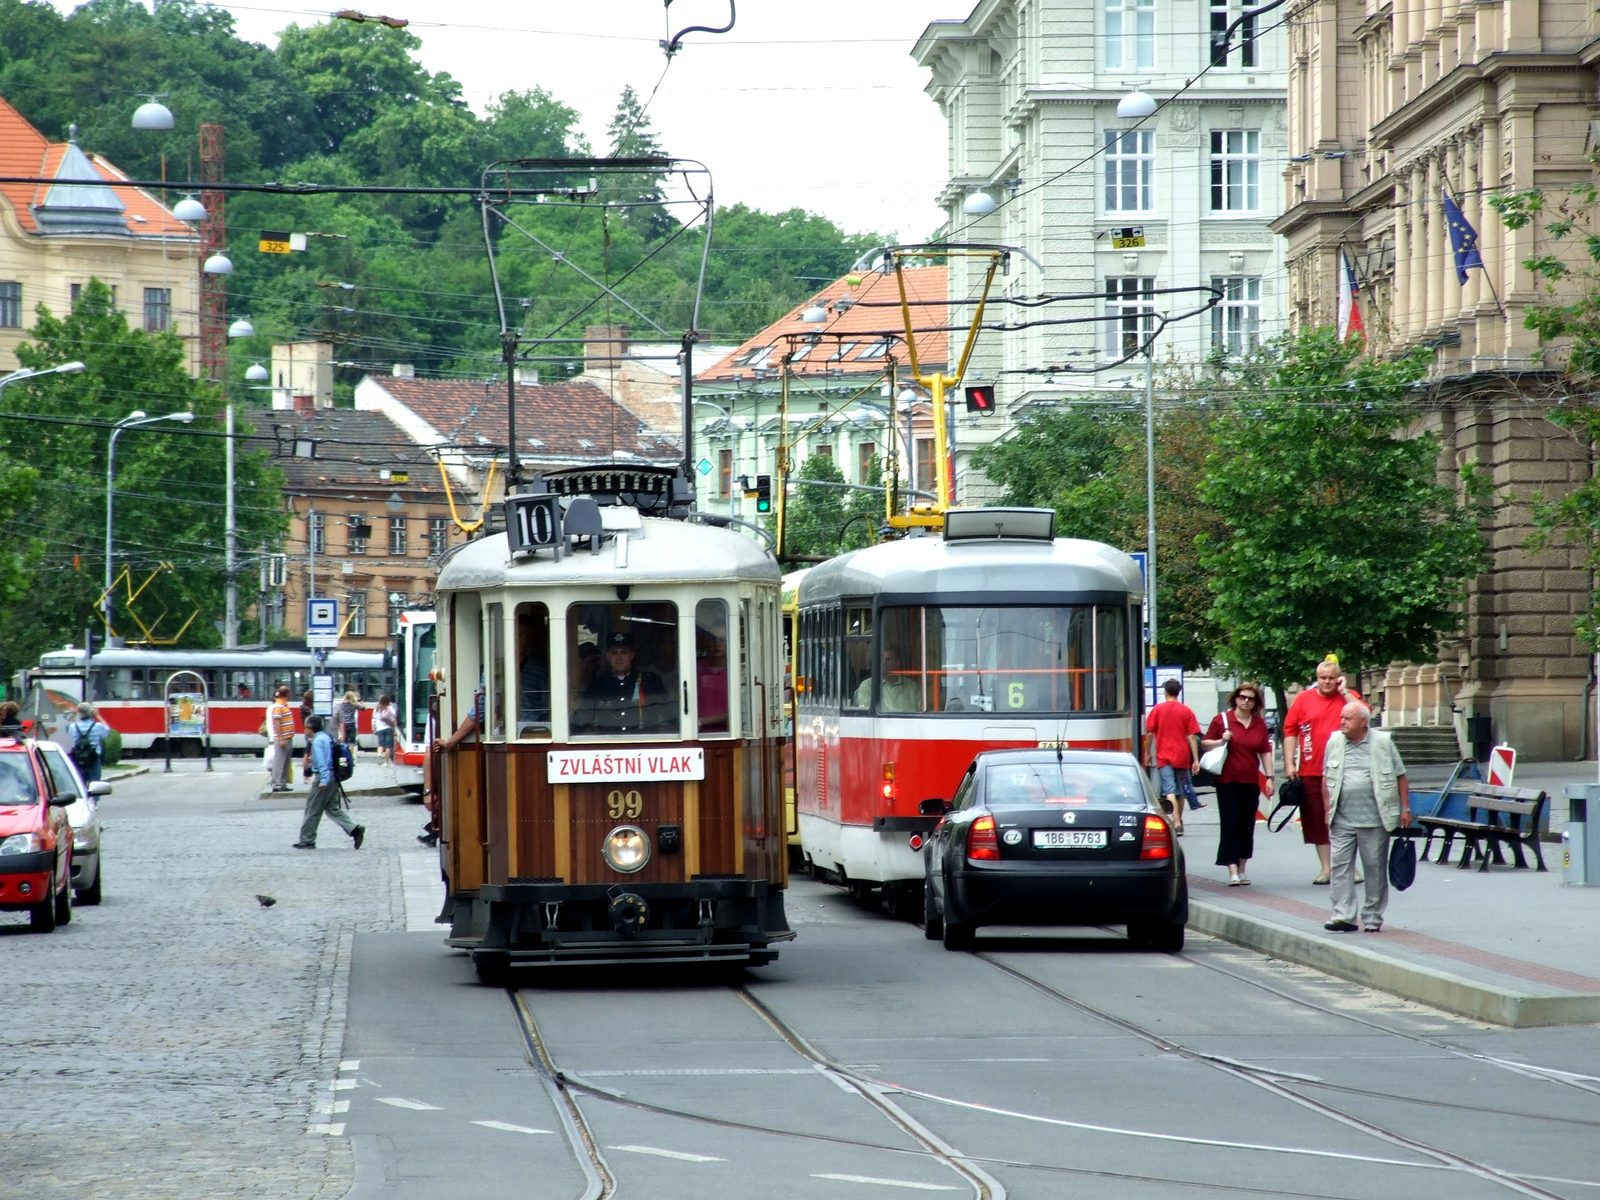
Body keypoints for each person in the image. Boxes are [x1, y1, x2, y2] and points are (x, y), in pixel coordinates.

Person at [1322, 701, 1411, 932]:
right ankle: (1343, 915)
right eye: (1341, 717)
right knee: (1339, 867)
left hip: (1374, 819)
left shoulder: (1382, 742)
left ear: (1363, 722)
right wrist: (1326, 810)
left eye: (1347, 718)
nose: (1341, 722)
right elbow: (1326, 779)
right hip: (1341, 818)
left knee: (1374, 869)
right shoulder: (1334, 742)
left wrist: (1405, 808)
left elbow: (1401, 775)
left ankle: (1372, 917)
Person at [1284, 654, 1362, 885]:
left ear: (1339, 678)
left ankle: (1349, 867)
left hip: (1345, 769)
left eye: (1331, 678)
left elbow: (1363, 714)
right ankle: (1326, 868)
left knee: (1347, 821)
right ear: (1316, 678)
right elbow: (1290, 730)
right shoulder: (1303, 699)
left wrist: (1345, 692)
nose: (1327, 682)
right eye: (1322, 678)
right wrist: (1289, 762)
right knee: (1318, 821)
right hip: (1311, 770)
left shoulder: (1348, 697)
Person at [1200, 683, 1274, 886]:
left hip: (1250, 782)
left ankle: (1242, 868)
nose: (1246, 701)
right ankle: (1232, 869)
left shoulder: (1259, 724)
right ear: (1235, 698)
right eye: (1242, 697)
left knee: (1247, 825)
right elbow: (1205, 743)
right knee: (1230, 824)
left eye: (1250, 698)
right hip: (1227, 782)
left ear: (1256, 702)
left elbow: (1265, 751)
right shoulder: (1222, 720)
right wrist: (1221, 741)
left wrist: (1269, 777)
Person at [573, 632, 671, 733]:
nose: (619, 657)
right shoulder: (598, 685)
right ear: (608, 656)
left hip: (642, 740)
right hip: (609, 740)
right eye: (614, 653)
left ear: (631, 655)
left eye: (624, 652)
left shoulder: (649, 681)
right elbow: (581, 719)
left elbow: (669, 712)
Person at [293, 714, 364, 850]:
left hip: (324, 777)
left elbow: (322, 763)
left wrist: (323, 780)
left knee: (313, 808)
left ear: (310, 728)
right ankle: (354, 829)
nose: (304, 730)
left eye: (305, 727)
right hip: (334, 776)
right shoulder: (327, 737)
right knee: (332, 809)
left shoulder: (317, 741)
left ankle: (307, 840)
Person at [1143, 678, 1201, 834]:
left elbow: (1150, 734)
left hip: (1164, 755)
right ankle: (1179, 821)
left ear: (1165, 692)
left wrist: (1147, 753)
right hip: (1182, 756)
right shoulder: (1186, 711)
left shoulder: (1158, 709)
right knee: (1180, 791)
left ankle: (1176, 823)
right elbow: (1191, 737)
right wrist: (1196, 760)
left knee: (1169, 790)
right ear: (1178, 692)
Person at [853, 644, 920, 711]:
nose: (883, 663)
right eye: (881, 660)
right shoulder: (868, 686)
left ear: (897, 663)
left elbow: (921, 712)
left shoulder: (912, 687)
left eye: (888, 659)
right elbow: (867, 714)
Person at [67, 703, 111, 784]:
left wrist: (75, 714)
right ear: (91, 713)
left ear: (79, 713)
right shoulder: (97, 726)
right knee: (95, 785)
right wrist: (98, 716)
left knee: (80, 783)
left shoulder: (73, 727)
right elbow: (107, 731)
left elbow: (70, 735)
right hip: (93, 758)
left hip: (78, 758)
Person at [267, 685, 296, 791]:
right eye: (290, 692)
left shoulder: (284, 705)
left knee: (285, 762)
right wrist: (281, 738)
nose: (291, 694)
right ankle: (277, 784)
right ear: (287, 694)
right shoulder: (278, 706)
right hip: (283, 738)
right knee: (279, 761)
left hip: (287, 737)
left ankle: (283, 783)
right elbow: (277, 723)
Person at [372, 693, 397, 764]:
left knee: (381, 744)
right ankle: (387, 762)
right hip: (389, 728)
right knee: (388, 746)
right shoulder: (390, 708)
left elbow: (374, 719)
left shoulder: (377, 708)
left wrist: (374, 728)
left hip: (380, 728)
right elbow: (395, 715)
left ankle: (379, 754)